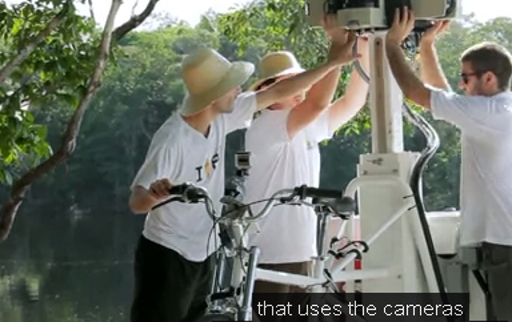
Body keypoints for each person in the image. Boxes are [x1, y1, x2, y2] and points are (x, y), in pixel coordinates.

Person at [126, 34, 360, 322]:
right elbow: (137, 202)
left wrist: (333, 61)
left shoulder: (223, 118)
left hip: (204, 248)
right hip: (169, 252)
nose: (238, 90)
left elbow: (277, 92)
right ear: (213, 96)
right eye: (230, 86)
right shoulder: (173, 139)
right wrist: (155, 194)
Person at [382, 7, 512, 322]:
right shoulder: (489, 112)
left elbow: (418, 93)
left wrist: (391, 45)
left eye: (466, 77)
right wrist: (426, 48)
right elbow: (443, 97)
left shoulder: (492, 115)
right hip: (506, 245)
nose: (461, 84)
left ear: (489, 78)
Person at [244, 15, 370, 320]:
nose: (301, 87)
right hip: (270, 256)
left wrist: (362, 47)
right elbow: (316, 103)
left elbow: (353, 102)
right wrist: (338, 46)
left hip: (302, 251)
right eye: (290, 82)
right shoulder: (266, 125)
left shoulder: (304, 126)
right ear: (269, 91)